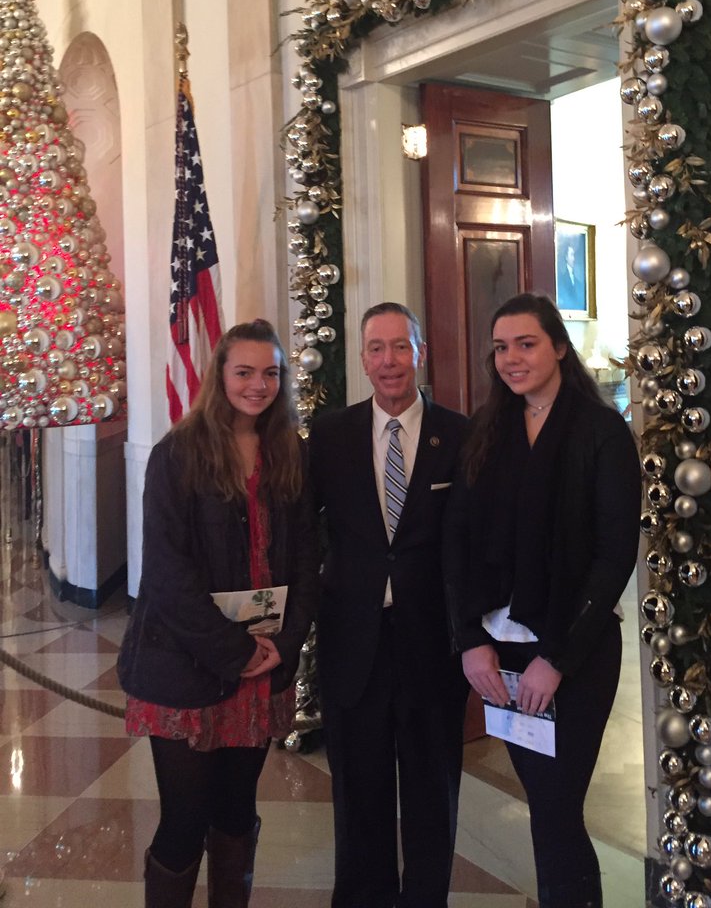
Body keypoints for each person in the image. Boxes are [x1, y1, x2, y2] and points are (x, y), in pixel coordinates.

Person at [445, 293, 641, 908]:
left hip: (574, 651)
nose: (511, 358)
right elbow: (456, 540)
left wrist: (555, 658)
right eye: (501, 347)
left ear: (558, 347)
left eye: (526, 344)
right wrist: (470, 641)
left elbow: (614, 556)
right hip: (500, 647)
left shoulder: (601, 431)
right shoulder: (488, 428)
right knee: (545, 804)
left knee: (557, 807)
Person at [117, 319, 318, 907]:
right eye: (245, 372)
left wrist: (286, 643)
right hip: (185, 666)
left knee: (235, 814)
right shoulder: (177, 454)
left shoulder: (290, 452)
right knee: (184, 822)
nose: (258, 385)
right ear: (220, 376)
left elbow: (309, 558)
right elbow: (165, 573)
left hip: (262, 665)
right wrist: (235, 652)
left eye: (270, 374)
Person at [309, 302, 469, 908]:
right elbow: (306, 530)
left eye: (401, 346)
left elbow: (474, 541)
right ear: (362, 358)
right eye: (376, 348)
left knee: (432, 795)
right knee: (358, 795)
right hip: (354, 645)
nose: (389, 361)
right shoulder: (331, 436)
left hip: (432, 645)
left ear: (419, 353)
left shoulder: (459, 435)